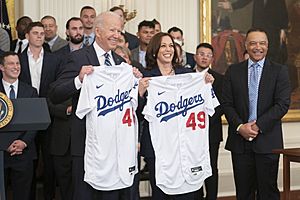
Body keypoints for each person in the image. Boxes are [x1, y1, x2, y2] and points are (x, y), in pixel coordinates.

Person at [49, 11, 142, 200]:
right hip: (86, 147)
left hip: (114, 148)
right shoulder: (78, 58)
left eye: (120, 30)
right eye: (112, 30)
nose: (117, 34)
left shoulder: (120, 64)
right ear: (98, 31)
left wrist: (137, 86)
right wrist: (78, 80)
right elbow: (54, 94)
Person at [138, 32, 215, 200]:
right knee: (161, 193)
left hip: (186, 145)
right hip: (157, 146)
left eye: (171, 45)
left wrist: (207, 83)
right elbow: (137, 112)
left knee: (188, 192)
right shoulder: (146, 76)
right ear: (154, 50)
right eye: (163, 46)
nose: (168, 49)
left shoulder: (187, 75)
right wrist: (140, 94)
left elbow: (207, 104)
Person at [222, 28, 291, 200]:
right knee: (243, 193)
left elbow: (282, 104)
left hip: (268, 141)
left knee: (267, 192)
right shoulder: (233, 71)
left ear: (267, 46)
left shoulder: (279, 71)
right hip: (240, 142)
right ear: (246, 45)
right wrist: (240, 127)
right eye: (252, 43)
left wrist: (257, 126)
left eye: (262, 43)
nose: (257, 47)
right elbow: (227, 104)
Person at [18, 21, 60, 200]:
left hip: (49, 113)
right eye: (35, 33)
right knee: (29, 163)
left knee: (49, 161)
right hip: (25, 115)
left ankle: (49, 196)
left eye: (42, 33)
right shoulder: (17, 59)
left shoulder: (54, 59)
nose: (39, 36)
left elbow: (57, 87)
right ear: (27, 36)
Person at [50, 17, 85, 200]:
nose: (78, 31)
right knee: (65, 188)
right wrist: (67, 109)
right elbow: (51, 93)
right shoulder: (57, 57)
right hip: (62, 132)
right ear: (67, 32)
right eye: (74, 28)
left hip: (85, 137)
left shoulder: (92, 57)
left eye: (80, 28)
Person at [0, 51, 38, 200]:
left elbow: (36, 121)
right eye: (11, 63)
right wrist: (4, 144)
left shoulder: (30, 91)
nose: (16, 67)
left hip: (24, 153)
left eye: (17, 63)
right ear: (2, 67)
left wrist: (23, 142)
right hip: (0, 153)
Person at [193, 43, 224, 200]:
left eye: (208, 55)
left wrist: (210, 88)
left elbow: (221, 108)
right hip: (191, 132)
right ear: (195, 56)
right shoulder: (186, 76)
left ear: (212, 58)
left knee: (211, 167)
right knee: (194, 166)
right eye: (201, 54)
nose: (204, 57)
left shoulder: (219, 79)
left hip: (211, 131)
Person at [218, 0, 289, 64]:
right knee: (257, 54)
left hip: (274, 31)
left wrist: (283, 29)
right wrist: (232, 6)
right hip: (258, 28)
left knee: (274, 55)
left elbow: (282, 9)